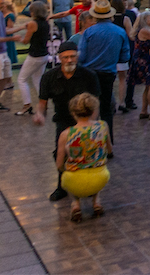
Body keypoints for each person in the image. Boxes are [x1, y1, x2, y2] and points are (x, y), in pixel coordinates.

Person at [34, 42, 101, 202]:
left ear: (77, 57)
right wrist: (39, 114)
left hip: (85, 121)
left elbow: (95, 102)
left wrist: (93, 123)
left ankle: (90, 186)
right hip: (63, 121)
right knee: (61, 153)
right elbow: (42, 102)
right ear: (59, 58)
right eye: (65, 57)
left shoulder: (89, 75)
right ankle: (62, 185)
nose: (69, 60)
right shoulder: (49, 77)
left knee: (88, 154)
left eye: (72, 56)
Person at [76, 0, 129, 141]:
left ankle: (91, 141)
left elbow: (81, 56)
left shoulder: (88, 33)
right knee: (106, 109)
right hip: (108, 73)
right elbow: (125, 56)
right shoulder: (119, 32)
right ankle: (108, 141)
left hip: (90, 73)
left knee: (90, 108)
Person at [56, 92, 112, 223]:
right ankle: (96, 202)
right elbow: (110, 150)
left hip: (74, 180)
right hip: (100, 177)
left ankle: (75, 204)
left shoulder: (66, 134)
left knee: (67, 174)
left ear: (73, 113)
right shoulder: (102, 126)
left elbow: (59, 164)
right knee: (98, 166)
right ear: (93, 110)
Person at [13, 1, 50, 116]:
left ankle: (26, 105)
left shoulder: (33, 23)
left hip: (35, 55)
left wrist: (17, 38)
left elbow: (25, 41)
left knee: (22, 79)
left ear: (33, 11)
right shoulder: (46, 22)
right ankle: (44, 104)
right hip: (44, 54)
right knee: (37, 79)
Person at [127, 11, 150, 119]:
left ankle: (144, 110)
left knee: (148, 86)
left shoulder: (147, 29)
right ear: (144, 20)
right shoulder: (145, 30)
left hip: (143, 60)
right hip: (145, 61)